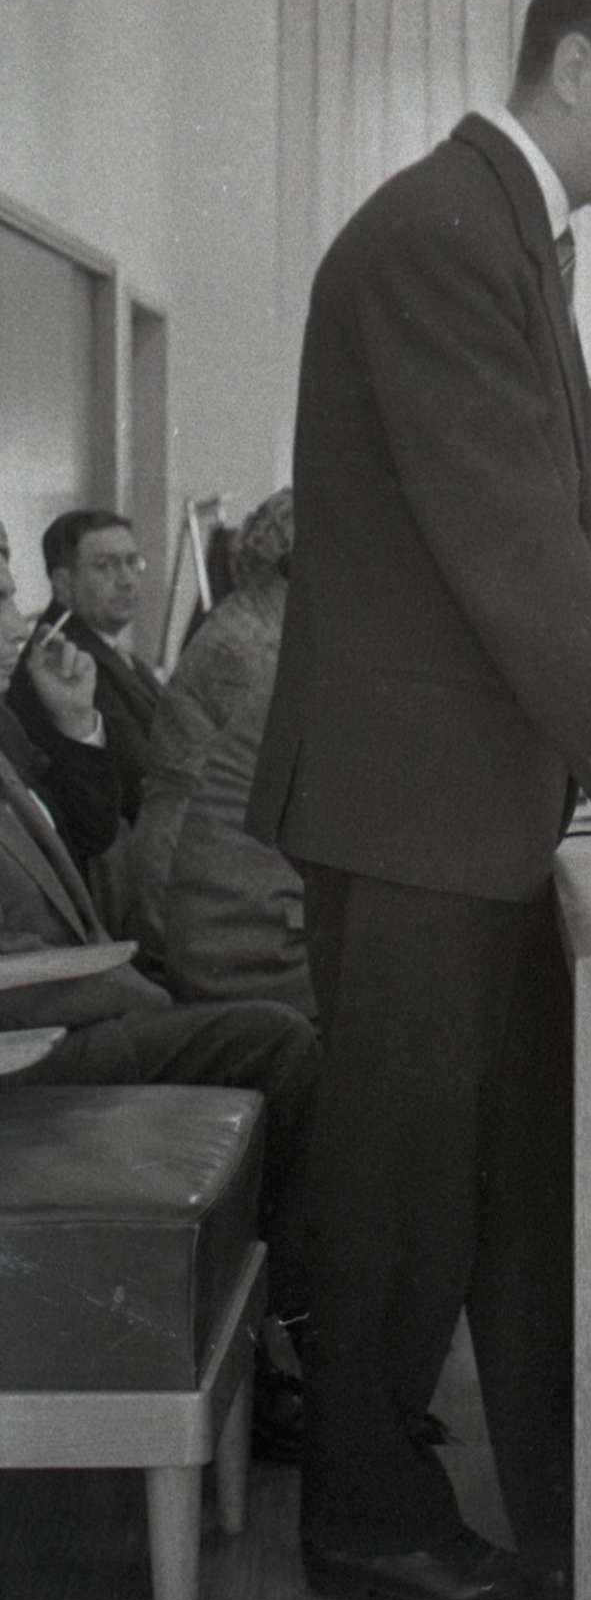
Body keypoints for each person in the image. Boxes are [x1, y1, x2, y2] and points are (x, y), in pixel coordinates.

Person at [248, 0, 591, 1600]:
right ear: (578, 66)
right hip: (407, 807)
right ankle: (366, 1518)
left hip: (458, 803)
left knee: (506, 1167)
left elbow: (580, 524)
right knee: (404, 1181)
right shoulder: (439, 233)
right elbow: (507, 539)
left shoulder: (509, 237)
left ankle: (555, 1505)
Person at [0, 522, 318, 1458]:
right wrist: (129, 990)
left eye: (10, 592)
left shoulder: (10, 722)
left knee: (277, 1027)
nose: (18, 621)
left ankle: (282, 1342)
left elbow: (89, 869)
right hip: (30, 1048)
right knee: (276, 1039)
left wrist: (74, 730)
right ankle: (293, 1351)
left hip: (71, 1002)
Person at [131, 489, 312, 1015]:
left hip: (213, 891)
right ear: (299, 566)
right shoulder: (248, 650)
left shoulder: (249, 628)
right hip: (206, 910)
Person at [7, 508, 161, 829]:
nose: (127, 580)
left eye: (132, 562)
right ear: (63, 584)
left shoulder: (109, 647)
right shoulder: (64, 661)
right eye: (105, 566)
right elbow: (138, 777)